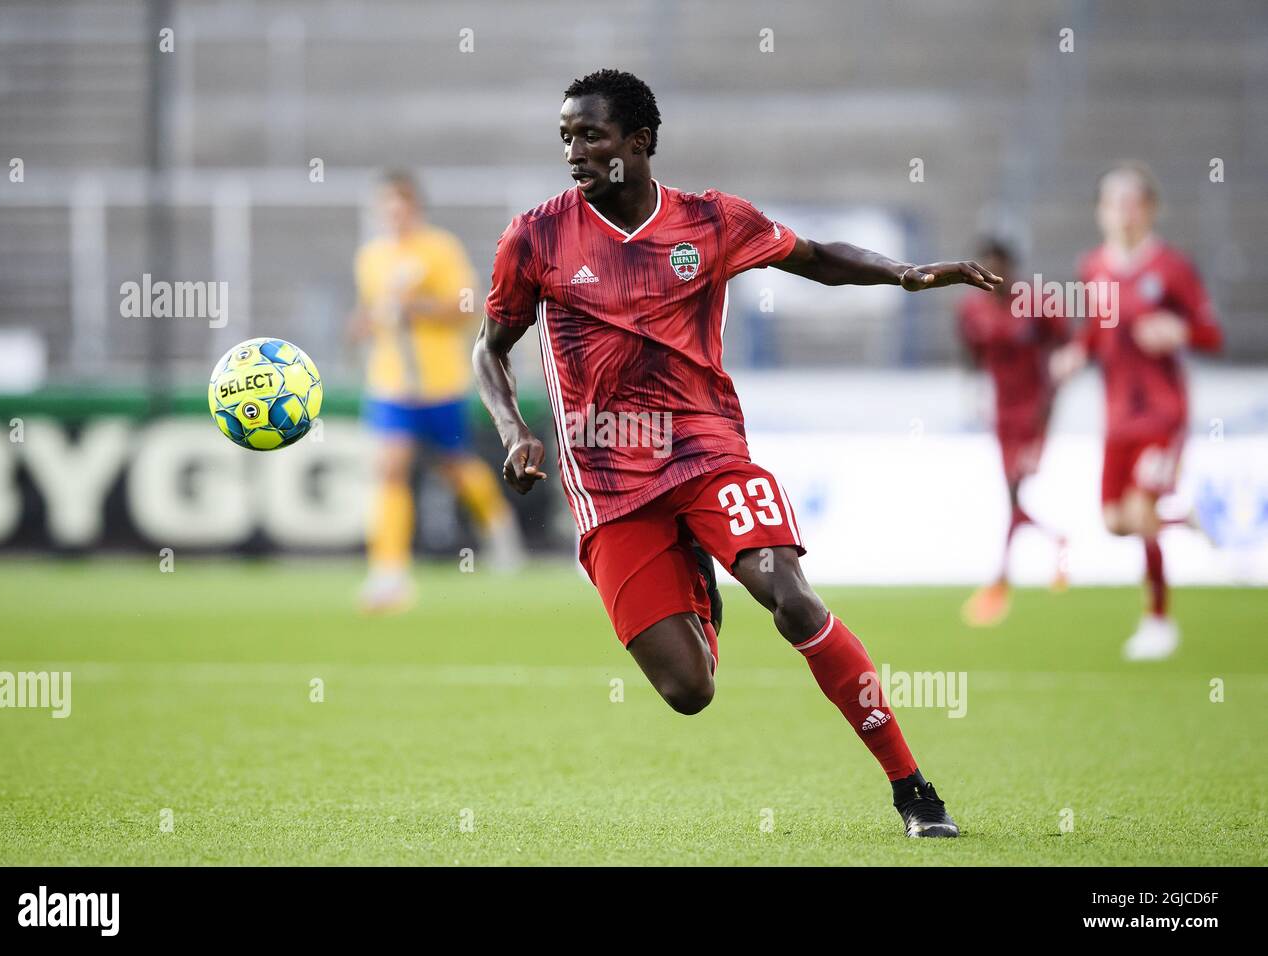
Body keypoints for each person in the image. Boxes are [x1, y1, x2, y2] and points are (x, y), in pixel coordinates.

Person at [472, 69, 1001, 837]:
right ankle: (699, 590)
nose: (574, 152)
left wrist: (903, 273)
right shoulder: (536, 237)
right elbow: (489, 351)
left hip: (707, 450)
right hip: (609, 477)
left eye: (590, 135)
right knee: (689, 690)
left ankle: (913, 790)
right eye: (564, 137)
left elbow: (813, 255)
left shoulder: (712, 221)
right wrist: (514, 430)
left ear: (639, 142)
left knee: (792, 597)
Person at [1051, 162, 1222, 660]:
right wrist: (1077, 353)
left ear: (1148, 209)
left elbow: (1211, 334)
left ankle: (1158, 620)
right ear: (1101, 211)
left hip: (1163, 414)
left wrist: (1182, 331)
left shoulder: (1172, 268)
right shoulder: (1094, 268)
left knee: (1140, 512)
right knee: (1115, 521)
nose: (1122, 213)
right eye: (1112, 203)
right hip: (1118, 416)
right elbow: (1094, 332)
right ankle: (1184, 517)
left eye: (1131, 203)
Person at [351, 171, 522, 613]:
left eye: (400, 204)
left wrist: (418, 306)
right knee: (390, 467)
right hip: (391, 383)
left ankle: (500, 532)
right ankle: (388, 573)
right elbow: (374, 312)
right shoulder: (371, 257)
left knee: (454, 465)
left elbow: (468, 306)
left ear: (414, 207)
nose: (392, 214)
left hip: (440, 380)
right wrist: (364, 324)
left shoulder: (439, 249)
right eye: (385, 205)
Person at [957, 237, 1069, 627]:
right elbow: (971, 356)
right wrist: (973, 393)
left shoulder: (1035, 303)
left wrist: (1053, 399)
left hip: (1034, 413)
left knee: (1015, 490)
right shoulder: (972, 310)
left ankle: (1000, 582)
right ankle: (1055, 541)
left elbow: (1065, 345)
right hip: (1001, 415)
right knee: (1012, 494)